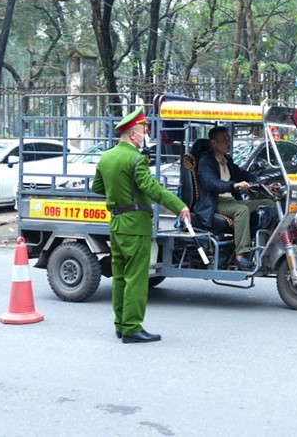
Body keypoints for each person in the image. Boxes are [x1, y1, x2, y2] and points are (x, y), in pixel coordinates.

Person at [92, 106, 191, 344]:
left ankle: (120, 324)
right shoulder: (137, 159)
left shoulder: (106, 158)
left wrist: (120, 193)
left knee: (119, 277)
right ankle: (132, 327)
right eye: (143, 131)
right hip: (136, 226)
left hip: (116, 223)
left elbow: (97, 188)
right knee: (136, 278)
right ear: (133, 134)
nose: (145, 135)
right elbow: (152, 189)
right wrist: (180, 206)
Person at [195, 126, 273, 270]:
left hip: (231, 201)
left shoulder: (227, 160)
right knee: (241, 210)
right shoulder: (205, 161)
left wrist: (263, 180)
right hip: (214, 202)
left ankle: (268, 245)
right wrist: (234, 185)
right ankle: (240, 255)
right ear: (213, 143)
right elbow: (212, 183)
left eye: (229, 139)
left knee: (269, 204)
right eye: (224, 140)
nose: (228, 143)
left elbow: (242, 174)